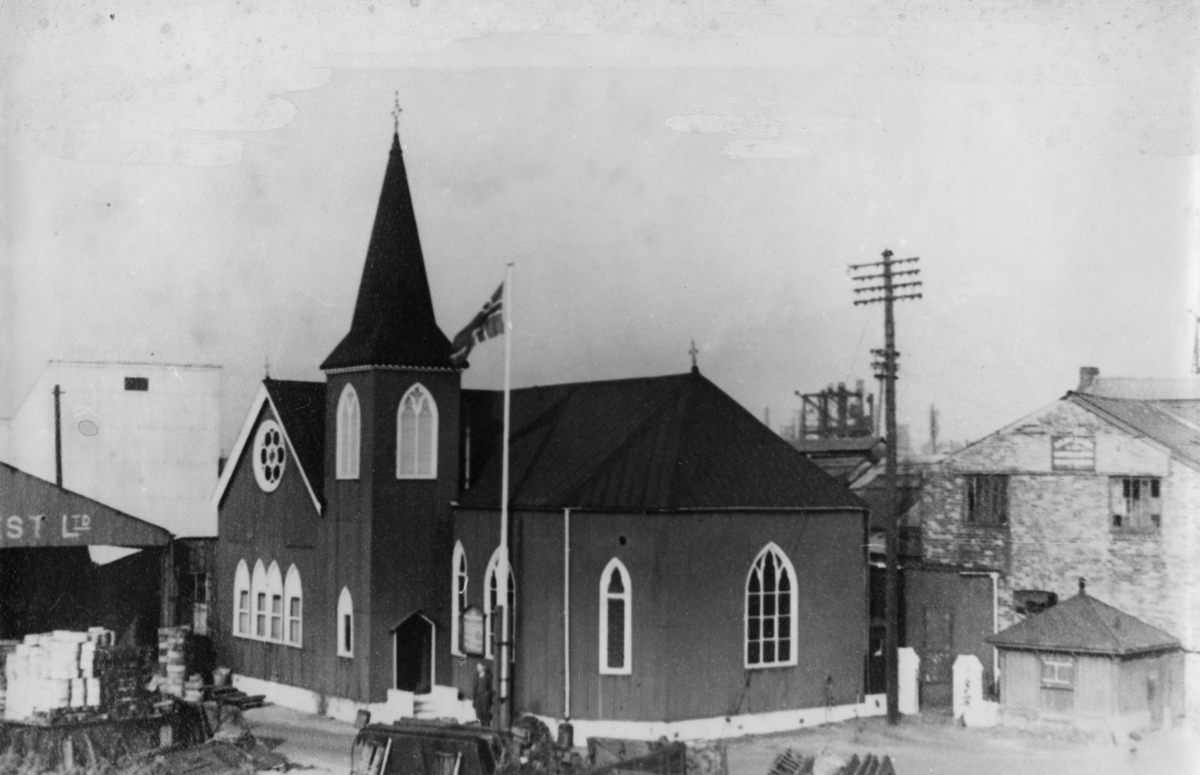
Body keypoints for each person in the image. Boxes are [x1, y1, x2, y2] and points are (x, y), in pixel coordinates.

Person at [472, 662, 494, 728]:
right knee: (479, 713)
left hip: (485, 697)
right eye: (477, 667)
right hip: (478, 697)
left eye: (480, 667)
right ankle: (481, 728)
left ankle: (486, 728)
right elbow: (474, 687)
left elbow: (491, 686)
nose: (478, 668)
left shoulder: (488, 676)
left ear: (483, 667)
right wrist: (474, 698)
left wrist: (488, 694)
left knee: (486, 713)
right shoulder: (476, 676)